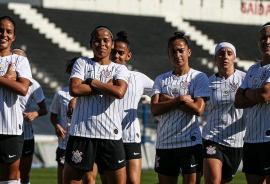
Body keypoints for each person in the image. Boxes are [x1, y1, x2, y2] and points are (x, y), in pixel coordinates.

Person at [63, 26, 130, 184]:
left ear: (112, 44)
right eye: (97, 40)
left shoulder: (119, 68)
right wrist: (106, 87)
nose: (102, 44)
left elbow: (119, 92)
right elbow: (74, 89)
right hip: (81, 133)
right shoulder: (81, 62)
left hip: (110, 135)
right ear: (91, 43)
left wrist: (91, 82)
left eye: (106, 40)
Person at [150, 31, 209, 184]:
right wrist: (182, 100)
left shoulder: (199, 77)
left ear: (188, 51)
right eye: (173, 51)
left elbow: (198, 109)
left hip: (190, 142)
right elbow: (155, 110)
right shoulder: (161, 79)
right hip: (165, 143)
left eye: (181, 50)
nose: (177, 55)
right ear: (168, 54)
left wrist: (169, 100)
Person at [0, 16, 32, 184]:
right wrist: (7, 79)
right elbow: (14, 85)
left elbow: (22, 89)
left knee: (10, 178)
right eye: (0, 30)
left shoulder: (20, 60)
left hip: (10, 128)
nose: (3, 34)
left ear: (14, 37)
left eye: (9, 31)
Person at [111, 31, 154, 184]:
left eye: (121, 53)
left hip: (131, 136)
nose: (116, 56)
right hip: (107, 136)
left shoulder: (138, 78)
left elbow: (160, 90)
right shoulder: (101, 76)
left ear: (128, 56)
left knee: (134, 182)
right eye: (114, 52)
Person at [202, 42, 246, 184]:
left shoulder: (245, 79)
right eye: (221, 53)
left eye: (229, 53)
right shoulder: (207, 83)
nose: (225, 57)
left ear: (234, 57)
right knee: (214, 180)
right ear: (215, 58)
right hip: (212, 138)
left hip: (237, 142)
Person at [234, 22, 270, 184]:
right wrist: (253, 95)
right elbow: (238, 101)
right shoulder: (253, 69)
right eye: (263, 37)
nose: (267, 41)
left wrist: (247, 92)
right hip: (251, 138)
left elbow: (264, 95)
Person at [12, 49, 48, 184]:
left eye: (20, 59)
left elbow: (44, 109)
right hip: (8, 132)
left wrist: (35, 113)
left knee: (25, 173)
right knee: (12, 173)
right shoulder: (4, 80)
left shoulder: (34, 85)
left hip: (26, 134)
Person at [49, 57, 76, 184]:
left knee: (87, 178)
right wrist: (57, 126)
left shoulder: (89, 95)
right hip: (65, 143)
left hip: (83, 142)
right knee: (63, 179)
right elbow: (53, 115)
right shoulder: (61, 94)